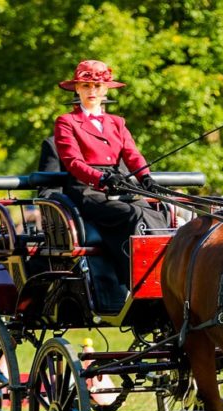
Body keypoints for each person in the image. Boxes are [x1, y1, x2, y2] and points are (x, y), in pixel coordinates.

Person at [54, 59, 163, 285]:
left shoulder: (117, 122)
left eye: (97, 86)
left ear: (106, 90)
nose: (92, 91)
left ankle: (162, 274)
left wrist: (145, 177)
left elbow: (132, 153)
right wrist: (101, 178)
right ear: (77, 88)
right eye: (86, 86)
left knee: (156, 212)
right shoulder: (67, 121)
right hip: (87, 189)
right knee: (131, 214)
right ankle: (134, 279)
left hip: (117, 183)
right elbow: (73, 162)